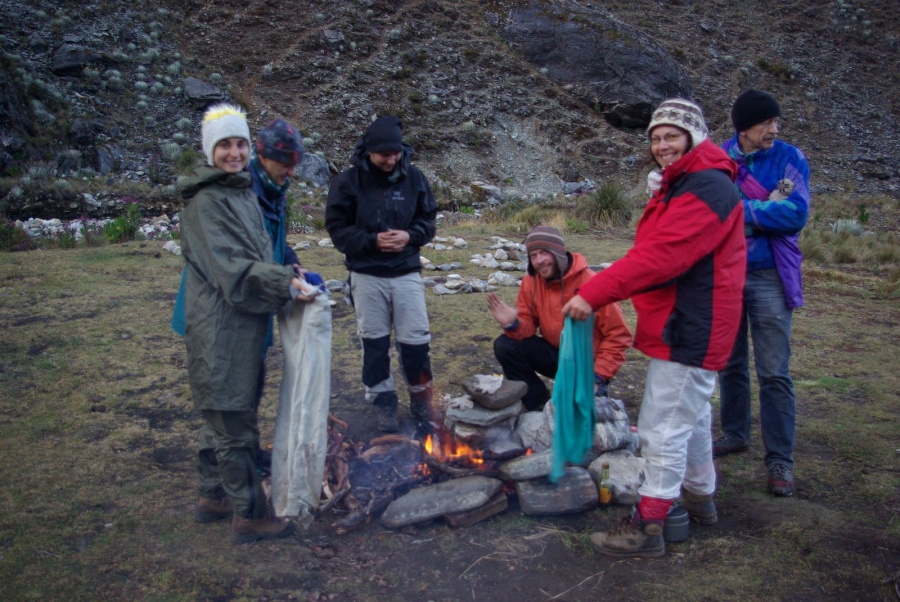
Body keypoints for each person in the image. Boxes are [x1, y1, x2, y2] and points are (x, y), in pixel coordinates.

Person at [562, 99, 746, 558]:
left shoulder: (706, 186)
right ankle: (700, 498)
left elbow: (661, 255)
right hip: (690, 319)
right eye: (656, 138)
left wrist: (593, 292)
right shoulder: (686, 182)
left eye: (672, 136)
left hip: (692, 325)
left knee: (661, 428)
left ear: (694, 137)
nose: (662, 145)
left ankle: (648, 524)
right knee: (694, 416)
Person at [179, 103, 313, 544]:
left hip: (241, 321)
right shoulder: (207, 200)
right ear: (209, 150)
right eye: (224, 146)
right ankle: (249, 514)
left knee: (225, 408)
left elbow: (261, 249)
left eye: (239, 144)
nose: (234, 153)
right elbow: (233, 268)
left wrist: (287, 270)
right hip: (221, 323)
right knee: (233, 417)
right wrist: (285, 283)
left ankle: (212, 494)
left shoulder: (237, 190)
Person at [714, 90, 810, 498]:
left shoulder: (790, 157)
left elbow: (796, 213)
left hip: (770, 274)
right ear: (744, 127)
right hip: (728, 272)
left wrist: (746, 212)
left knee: (774, 370)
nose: (774, 129)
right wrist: (762, 211)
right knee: (730, 361)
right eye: (766, 123)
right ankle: (735, 434)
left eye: (776, 122)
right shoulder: (720, 159)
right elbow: (713, 213)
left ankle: (780, 460)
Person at [325, 116, 439, 433]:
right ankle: (384, 404)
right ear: (369, 151)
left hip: (406, 273)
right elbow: (337, 229)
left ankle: (421, 400)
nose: (390, 160)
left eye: (395, 153)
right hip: (366, 275)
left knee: (416, 341)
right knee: (374, 344)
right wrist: (371, 241)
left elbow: (428, 221)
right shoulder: (348, 182)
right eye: (383, 154)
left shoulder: (415, 179)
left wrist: (410, 236)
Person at [486, 224, 632, 413]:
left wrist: (598, 377)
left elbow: (618, 336)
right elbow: (528, 326)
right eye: (533, 255)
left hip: (588, 365)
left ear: (558, 253)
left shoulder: (592, 283)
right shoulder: (532, 281)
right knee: (505, 345)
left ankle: (593, 389)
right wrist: (513, 324)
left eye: (544, 253)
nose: (539, 261)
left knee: (577, 417)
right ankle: (537, 402)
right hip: (557, 356)